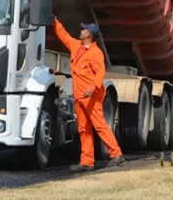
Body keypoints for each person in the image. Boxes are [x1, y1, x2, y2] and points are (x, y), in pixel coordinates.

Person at [50, 17, 124, 172]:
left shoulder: (96, 53)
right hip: (79, 96)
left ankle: (116, 154)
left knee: (100, 126)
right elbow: (64, 36)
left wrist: (93, 87)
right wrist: (55, 22)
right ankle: (87, 161)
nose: (81, 30)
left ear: (89, 35)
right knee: (83, 129)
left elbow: (100, 73)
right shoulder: (77, 46)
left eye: (83, 29)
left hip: (92, 97)